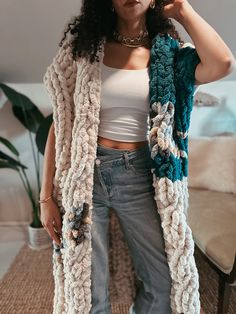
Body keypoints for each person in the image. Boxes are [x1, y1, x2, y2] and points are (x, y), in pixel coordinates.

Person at [40, 1, 236, 313]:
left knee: (164, 282)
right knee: (87, 290)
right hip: (84, 177)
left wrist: (184, 11)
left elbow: (223, 63)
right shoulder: (83, 49)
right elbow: (61, 124)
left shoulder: (171, 56)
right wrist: (46, 196)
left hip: (141, 176)